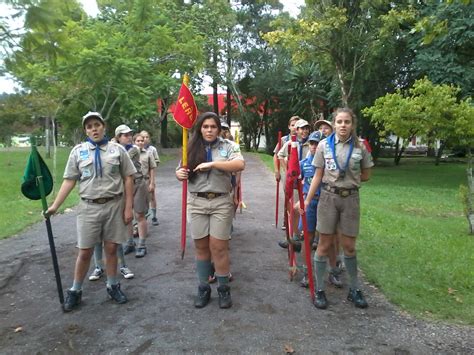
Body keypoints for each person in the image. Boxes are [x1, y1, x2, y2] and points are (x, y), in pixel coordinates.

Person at [46, 111, 136, 312]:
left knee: (112, 249)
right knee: (85, 251)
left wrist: (128, 207)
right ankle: (75, 291)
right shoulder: (78, 151)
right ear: (85, 130)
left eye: (97, 124)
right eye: (89, 126)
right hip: (88, 207)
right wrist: (55, 206)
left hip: (114, 205)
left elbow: (129, 178)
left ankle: (113, 286)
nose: (93, 129)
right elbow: (70, 180)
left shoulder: (117, 150)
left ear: (104, 126)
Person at [304, 108, 374, 309]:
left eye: (347, 122)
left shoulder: (361, 146)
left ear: (353, 124)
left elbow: (367, 174)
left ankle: (354, 289)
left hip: (350, 199)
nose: (343, 125)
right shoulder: (324, 146)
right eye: (339, 122)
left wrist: (349, 180)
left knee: (349, 245)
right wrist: (308, 201)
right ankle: (319, 289)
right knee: (324, 244)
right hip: (328, 197)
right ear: (334, 124)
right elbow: (317, 175)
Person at [175, 112, 245, 309]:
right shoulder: (189, 147)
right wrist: (178, 173)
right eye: (205, 127)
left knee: (219, 247)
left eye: (213, 127)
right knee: (201, 247)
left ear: (219, 129)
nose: (209, 130)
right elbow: (181, 170)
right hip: (197, 202)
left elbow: (240, 164)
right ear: (199, 128)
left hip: (221, 202)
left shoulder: (228, 146)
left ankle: (223, 289)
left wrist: (213, 164)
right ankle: (203, 287)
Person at [277, 118, 311, 249]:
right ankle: (294, 236)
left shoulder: (312, 143)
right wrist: (288, 170)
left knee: (305, 208)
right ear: (296, 130)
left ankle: (304, 235)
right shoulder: (291, 143)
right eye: (302, 128)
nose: (305, 131)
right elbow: (280, 155)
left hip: (307, 180)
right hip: (295, 181)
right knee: (294, 208)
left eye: (307, 128)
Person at [273, 115, 299, 233]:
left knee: (298, 196)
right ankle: (286, 219)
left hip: (298, 173)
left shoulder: (302, 139)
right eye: (292, 125)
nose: (295, 128)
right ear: (289, 126)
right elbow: (276, 155)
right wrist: (277, 171)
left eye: (297, 125)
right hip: (286, 172)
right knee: (288, 196)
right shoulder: (284, 140)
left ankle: (297, 222)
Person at [133, 132, 157, 256]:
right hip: (132, 183)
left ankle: (141, 235)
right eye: (138, 141)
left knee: (142, 209)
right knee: (133, 212)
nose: (141, 142)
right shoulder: (130, 154)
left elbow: (152, 168)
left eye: (142, 141)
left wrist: (152, 183)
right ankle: (133, 235)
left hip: (145, 181)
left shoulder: (148, 154)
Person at [140, 130, 160, 226]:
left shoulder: (152, 150)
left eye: (147, 137)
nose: (144, 139)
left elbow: (156, 163)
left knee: (151, 196)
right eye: (142, 137)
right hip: (139, 178)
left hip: (148, 176)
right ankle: (143, 216)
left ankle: (154, 216)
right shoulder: (135, 149)